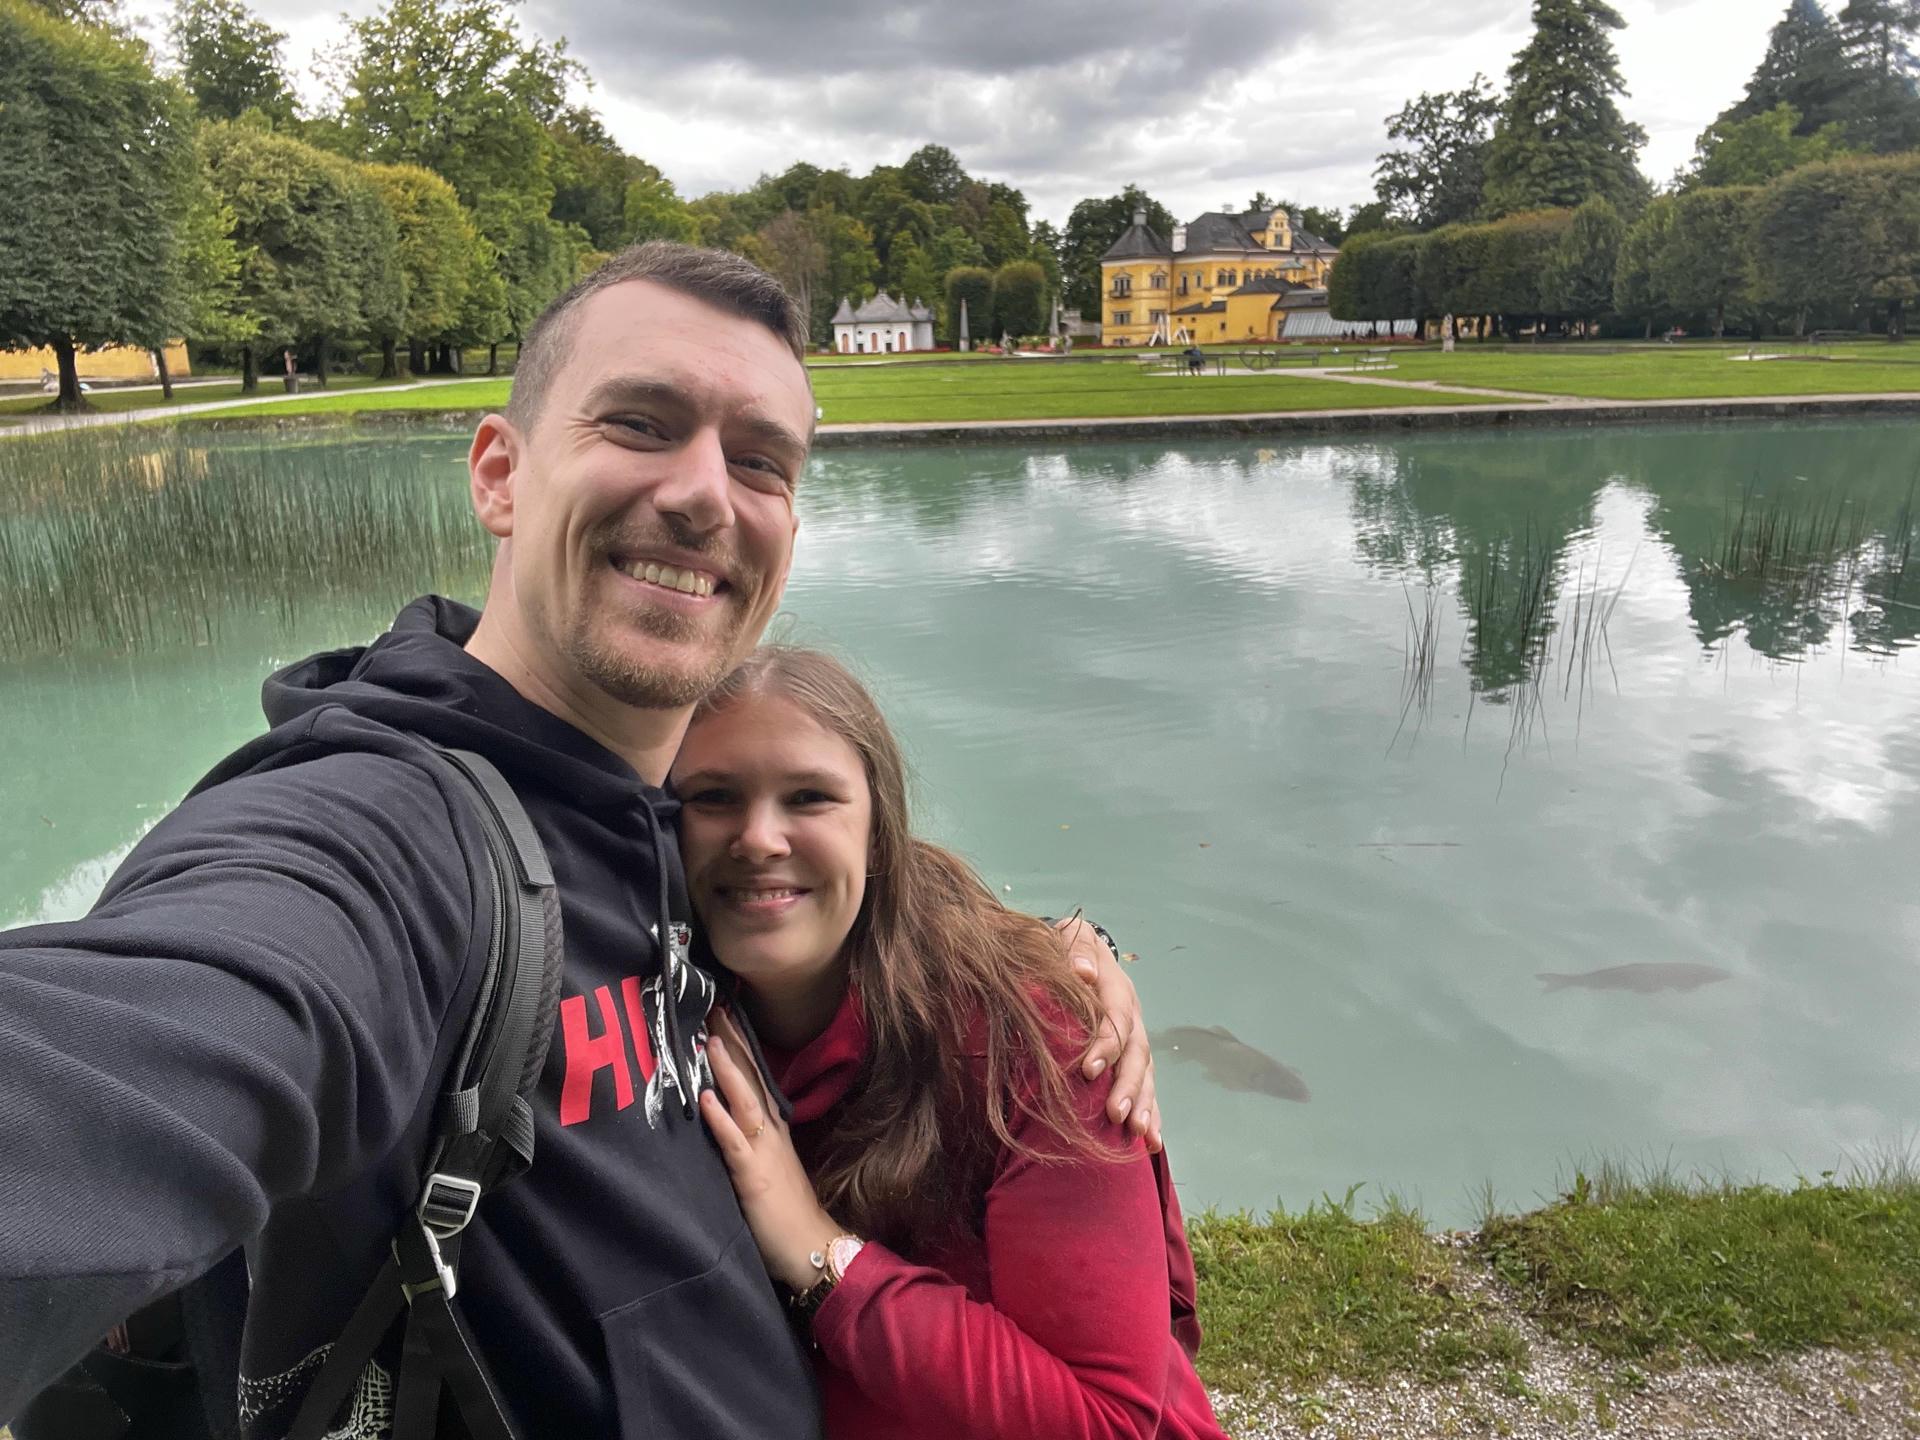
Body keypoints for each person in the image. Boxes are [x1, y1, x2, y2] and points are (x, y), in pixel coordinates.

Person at [0, 242, 1158, 1439]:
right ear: (500, 476)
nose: (706, 494)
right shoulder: (385, 839)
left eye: (761, 461)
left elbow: (857, 877)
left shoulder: (681, 811)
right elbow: (147, 1044)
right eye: (642, 424)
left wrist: (1062, 960)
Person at [672, 648, 1228, 1440]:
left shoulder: (1035, 1038)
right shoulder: (656, 1001)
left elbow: (1105, 1421)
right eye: (713, 796)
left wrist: (819, 1252)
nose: (759, 838)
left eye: (809, 796)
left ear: (879, 834)